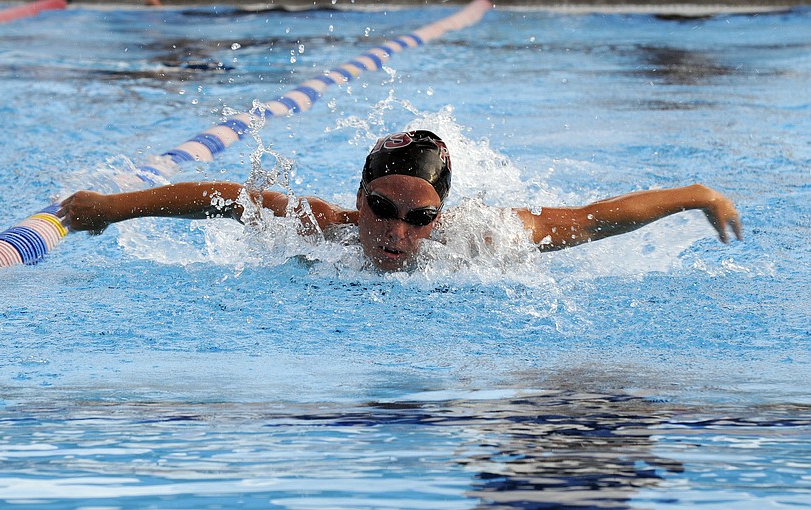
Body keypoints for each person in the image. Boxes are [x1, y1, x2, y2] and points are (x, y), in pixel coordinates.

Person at [57, 130, 742, 272]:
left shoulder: (480, 239)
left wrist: (697, 196)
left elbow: (596, 219)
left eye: (420, 218)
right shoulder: (324, 226)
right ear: (359, 198)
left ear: (440, 216)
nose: (396, 232)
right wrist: (113, 209)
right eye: (381, 209)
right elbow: (221, 197)